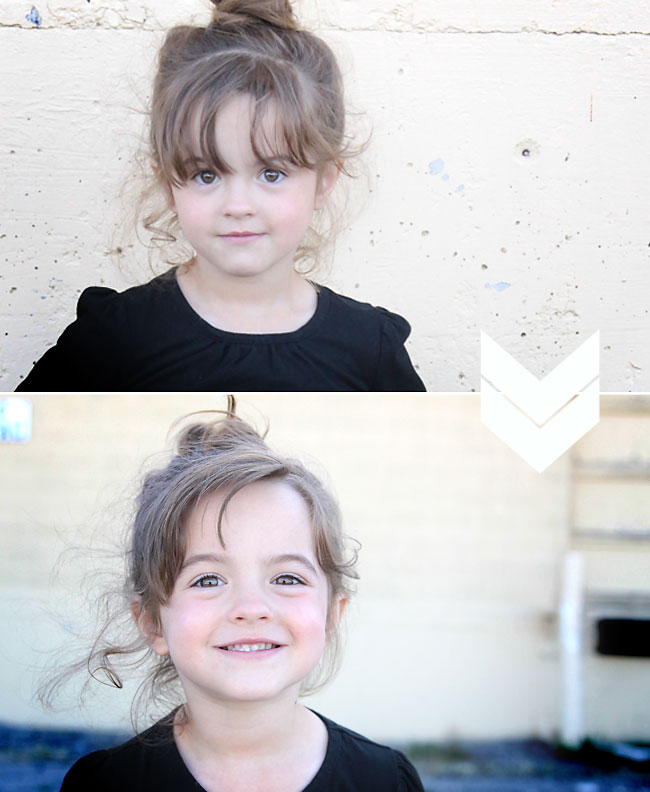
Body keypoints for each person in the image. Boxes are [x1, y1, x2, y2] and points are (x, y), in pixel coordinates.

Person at [16, 0, 425, 392]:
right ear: (168, 184)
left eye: (271, 173)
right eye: (206, 174)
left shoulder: (369, 349)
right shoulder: (115, 339)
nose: (237, 207)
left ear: (324, 181)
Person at [54, 405, 425, 790]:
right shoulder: (105, 784)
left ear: (332, 613)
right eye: (208, 580)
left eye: (287, 578)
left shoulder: (385, 781)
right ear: (151, 622)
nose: (251, 609)